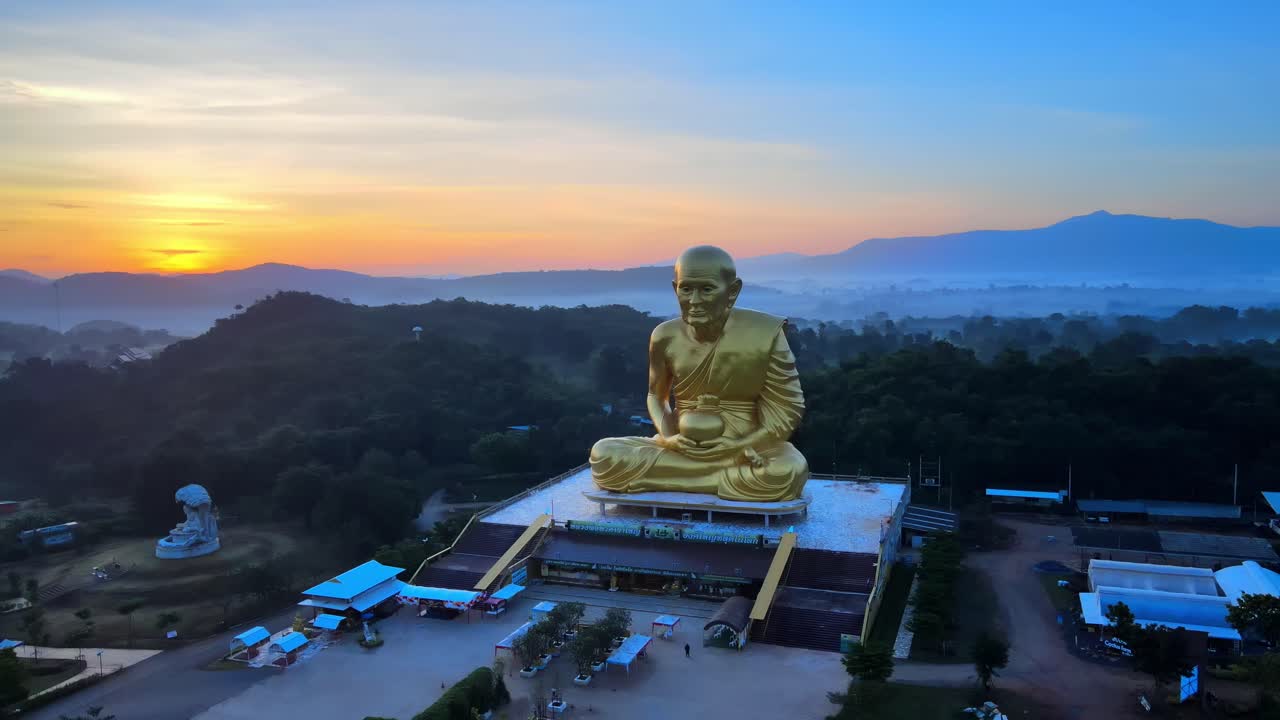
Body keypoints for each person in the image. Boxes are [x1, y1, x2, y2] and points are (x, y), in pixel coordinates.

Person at [590, 245, 808, 502]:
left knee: (788, 469)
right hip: (682, 445)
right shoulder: (664, 336)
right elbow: (655, 396)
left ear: (732, 291)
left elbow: (786, 410)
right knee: (603, 453)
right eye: (686, 289)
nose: (694, 301)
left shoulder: (765, 333)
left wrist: (739, 445)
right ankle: (713, 482)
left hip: (743, 448)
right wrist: (670, 439)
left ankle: (665, 482)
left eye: (706, 289)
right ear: (676, 289)